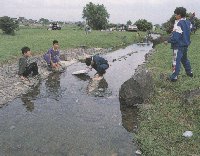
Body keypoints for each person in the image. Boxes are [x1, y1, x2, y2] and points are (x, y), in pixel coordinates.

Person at [167, 7, 193, 82]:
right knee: (185, 59)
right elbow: (190, 29)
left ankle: (174, 77)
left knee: (175, 61)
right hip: (185, 45)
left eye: (176, 14)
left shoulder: (178, 23)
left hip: (178, 46)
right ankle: (189, 72)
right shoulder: (188, 23)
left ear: (179, 15)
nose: (175, 16)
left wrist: (168, 40)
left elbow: (175, 38)